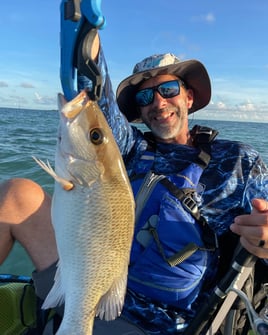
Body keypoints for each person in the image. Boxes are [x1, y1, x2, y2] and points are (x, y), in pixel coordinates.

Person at [1, 31, 268, 335]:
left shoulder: (238, 161)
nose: (158, 101)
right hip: (84, 277)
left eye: (168, 89)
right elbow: (95, 99)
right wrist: (86, 29)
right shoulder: (129, 149)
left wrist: (264, 242)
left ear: (189, 96)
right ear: (139, 111)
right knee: (15, 194)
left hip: (157, 323)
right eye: (145, 96)